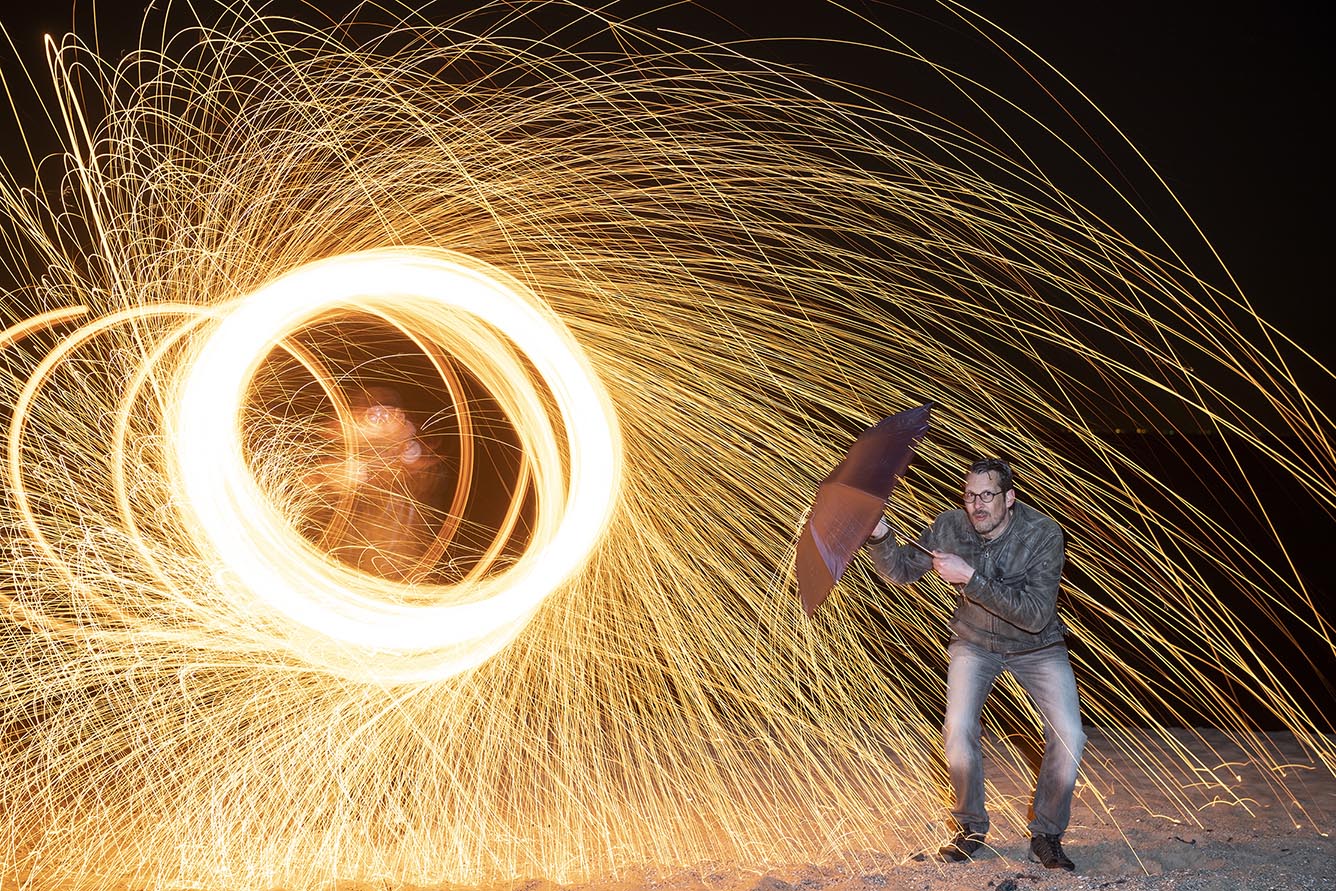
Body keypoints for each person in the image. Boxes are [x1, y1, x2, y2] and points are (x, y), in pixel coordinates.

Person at [866, 457, 1084, 871]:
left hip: (1037, 645)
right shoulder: (950, 527)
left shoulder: (1043, 534)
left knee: (1070, 735)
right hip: (975, 642)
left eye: (987, 495)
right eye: (969, 496)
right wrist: (880, 536)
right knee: (958, 729)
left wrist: (970, 577)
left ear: (1010, 498)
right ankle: (970, 826)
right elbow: (900, 570)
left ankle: (1047, 833)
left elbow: (1036, 614)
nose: (976, 505)